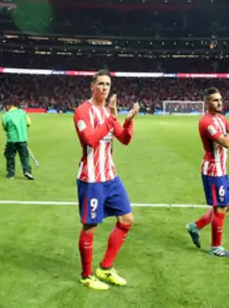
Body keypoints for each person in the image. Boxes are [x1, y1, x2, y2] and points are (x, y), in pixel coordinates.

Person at [73, 69, 140, 291]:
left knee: (127, 219)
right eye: (100, 84)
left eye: (107, 84)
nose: (104, 88)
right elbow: (90, 139)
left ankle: (105, 268)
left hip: (110, 177)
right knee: (90, 226)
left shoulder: (109, 113)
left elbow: (125, 139)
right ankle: (86, 275)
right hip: (91, 179)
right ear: (92, 87)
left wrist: (129, 121)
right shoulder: (83, 111)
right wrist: (112, 118)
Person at [185, 88, 229, 258]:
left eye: (220, 99)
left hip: (222, 168)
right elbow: (227, 142)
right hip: (213, 170)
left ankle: (195, 226)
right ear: (206, 103)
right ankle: (216, 247)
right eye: (214, 100)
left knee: (228, 205)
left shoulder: (220, 118)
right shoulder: (207, 122)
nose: (219, 102)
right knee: (220, 208)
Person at [1, 100, 34, 180]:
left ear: (7, 106)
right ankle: (27, 171)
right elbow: (29, 123)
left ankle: (10, 173)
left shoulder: (5, 115)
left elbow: (5, 127)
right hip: (22, 138)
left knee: (10, 156)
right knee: (24, 156)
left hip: (11, 139)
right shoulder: (23, 113)